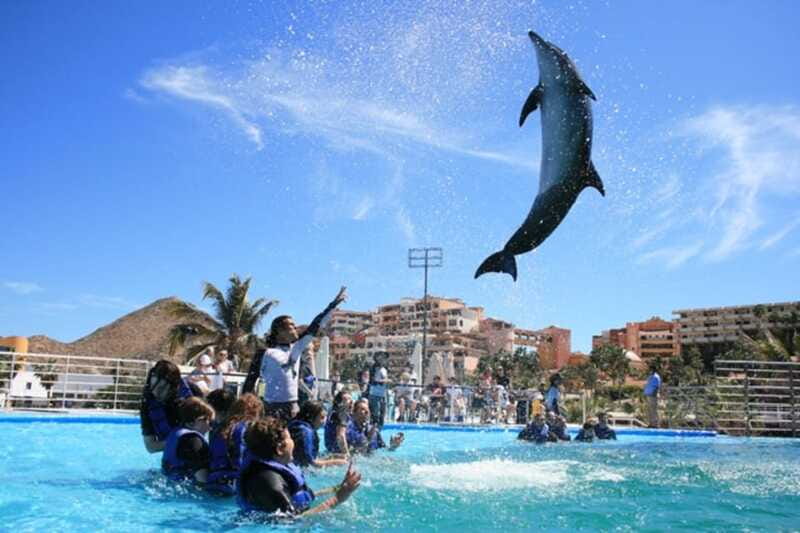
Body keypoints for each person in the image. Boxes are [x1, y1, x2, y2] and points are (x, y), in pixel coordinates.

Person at [237, 417, 362, 517]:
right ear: (280, 449)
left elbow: (305, 496)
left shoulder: (273, 470)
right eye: (289, 438)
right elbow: (296, 520)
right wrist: (337, 499)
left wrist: (339, 488)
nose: (293, 442)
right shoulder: (269, 483)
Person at [255, 287, 347, 420]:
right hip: (270, 407)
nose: (295, 328)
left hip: (292, 407)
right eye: (292, 326)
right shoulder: (265, 353)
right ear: (280, 331)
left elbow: (316, 324)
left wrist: (333, 305)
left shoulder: (296, 347)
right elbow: (254, 380)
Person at [206, 393, 263, 495]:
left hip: (213, 481)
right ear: (256, 413)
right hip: (237, 484)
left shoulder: (217, 428)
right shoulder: (250, 429)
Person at [140, 360, 195, 453]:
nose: (155, 393)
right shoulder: (148, 404)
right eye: (153, 387)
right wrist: (177, 441)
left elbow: (200, 432)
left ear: (173, 388)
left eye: (161, 388)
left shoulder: (188, 399)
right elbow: (150, 447)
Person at [161, 397, 215, 485]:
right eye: (205, 420)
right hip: (186, 492)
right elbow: (202, 478)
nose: (209, 426)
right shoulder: (194, 441)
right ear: (190, 423)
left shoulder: (176, 434)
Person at [288, 401, 349, 468]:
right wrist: (335, 462)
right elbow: (309, 464)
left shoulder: (298, 425)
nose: (325, 421)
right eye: (322, 417)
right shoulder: (305, 432)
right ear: (311, 417)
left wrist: (331, 457)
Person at [324, 390, 354, 455]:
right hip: (339, 450)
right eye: (346, 399)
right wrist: (346, 454)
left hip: (331, 448)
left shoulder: (333, 411)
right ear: (340, 403)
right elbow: (340, 436)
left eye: (350, 398)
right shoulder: (342, 413)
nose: (351, 401)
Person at [367, 352, 389, 428]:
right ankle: (374, 430)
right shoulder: (373, 368)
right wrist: (384, 381)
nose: (383, 359)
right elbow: (373, 381)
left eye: (384, 358)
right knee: (375, 414)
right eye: (381, 357)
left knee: (382, 414)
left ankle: (379, 430)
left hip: (383, 394)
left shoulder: (384, 369)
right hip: (374, 394)